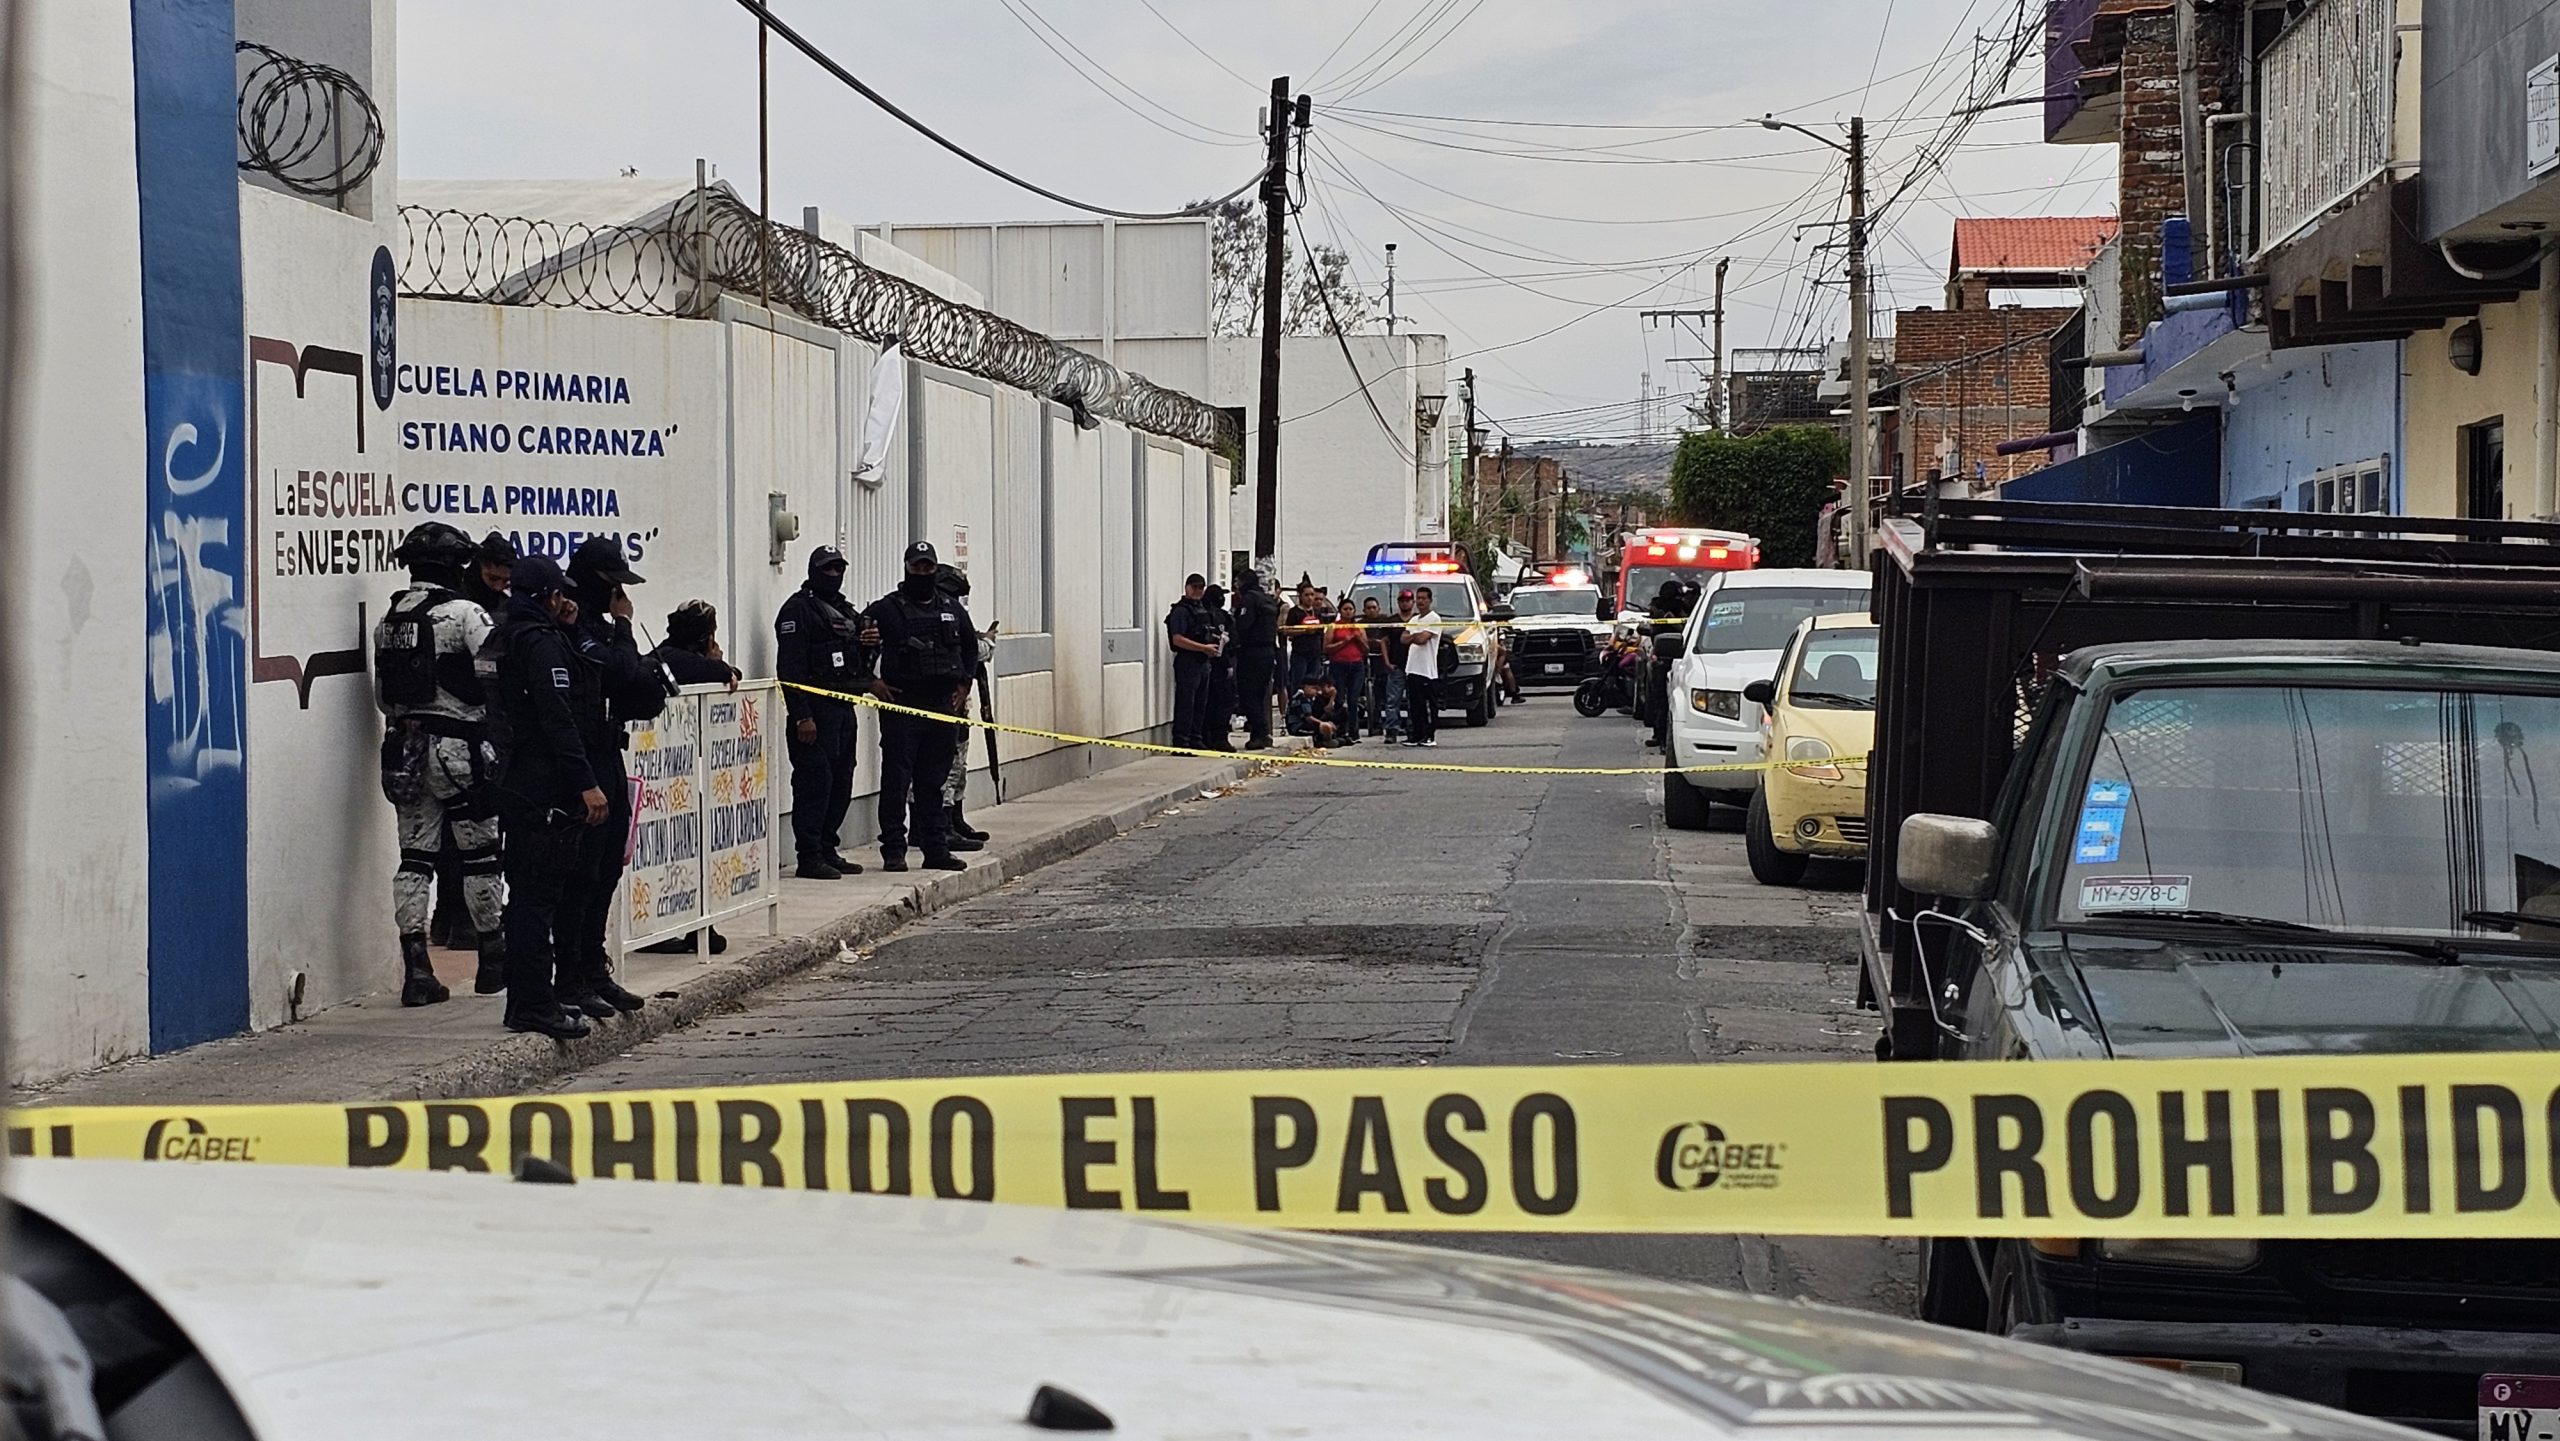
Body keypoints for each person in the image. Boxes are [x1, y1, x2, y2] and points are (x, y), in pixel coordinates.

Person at [371, 521, 505, 1008]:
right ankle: (493, 961)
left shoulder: (387, 622)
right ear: (456, 564)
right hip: (460, 748)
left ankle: (417, 970)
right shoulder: (465, 614)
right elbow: (500, 677)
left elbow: (385, 699)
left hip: (404, 751)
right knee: (481, 854)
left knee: (414, 858)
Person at [484, 555, 601, 1041]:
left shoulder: (500, 636)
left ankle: (527, 997)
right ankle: (533, 1002)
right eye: (559, 594)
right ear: (549, 596)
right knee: (539, 896)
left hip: (512, 778)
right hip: (543, 782)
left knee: (525, 891)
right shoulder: (539, 643)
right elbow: (559, 719)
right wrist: (586, 783)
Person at [556, 536, 669, 1020]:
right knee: (580, 872)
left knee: (607, 867)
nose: (620, 597)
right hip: (580, 760)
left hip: (608, 752)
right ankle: (572, 974)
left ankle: (593, 967)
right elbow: (618, 671)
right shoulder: (574, 626)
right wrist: (624, 625)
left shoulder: (599, 628)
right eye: (615, 588)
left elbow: (634, 687)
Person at [432, 531, 520, 950]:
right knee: (468, 838)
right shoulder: (464, 609)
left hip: (476, 730)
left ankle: (452, 917)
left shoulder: (496, 606)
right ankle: (460, 920)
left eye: (504, 577)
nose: (499, 582)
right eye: (493, 574)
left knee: (464, 838)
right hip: (466, 731)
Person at [868, 541, 976, 873]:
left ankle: (936, 848)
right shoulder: (887, 609)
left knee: (934, 782)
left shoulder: (951, 607)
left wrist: (963, 685)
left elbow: (969, 650)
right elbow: (859, 644)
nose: (923, 572)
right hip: (903, 706)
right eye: (917, 567)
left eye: (928, 567)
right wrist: (872, 683)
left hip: (941, 707)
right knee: (897, 781)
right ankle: (894, 850)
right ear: (906, 568)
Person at [776, 546, 876, 879]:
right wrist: (802, 715)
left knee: (841, 781)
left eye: (838, 569)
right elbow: (789, 669)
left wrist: (870, 642)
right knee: (814, 784)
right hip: (814, 715)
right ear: (813, 571)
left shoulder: (845, 611)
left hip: (843, 708)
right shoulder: (797, 611)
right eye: (827, 569)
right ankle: (809, 856)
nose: (834, 575)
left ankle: (827, 847)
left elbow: (859, 659)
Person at [933, 563, 991, 853]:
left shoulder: (953, 614)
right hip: (940, 701)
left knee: (959, 765)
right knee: (945, 767)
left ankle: (955, 818)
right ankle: (940, 825)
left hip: (958, 702)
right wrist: (987, 645)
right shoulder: (935, 615)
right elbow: (971, 649)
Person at [1165, 572, 1218, 749]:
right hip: (1188, 661)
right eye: (1194, 587)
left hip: (1203, 661)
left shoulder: (1201, 609)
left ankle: (1195, 739)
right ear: (1186, 587)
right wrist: (1204, 648)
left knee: (1200, 704)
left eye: (1201, 587)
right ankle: (1182, 741)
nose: (1197, 591)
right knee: (1186, 703)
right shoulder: (1181, 611)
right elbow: (1177, 639)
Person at [1230, 570, 1280, 751]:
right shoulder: (1267, 599)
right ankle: (1263, 733)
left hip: (1252, 652)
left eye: (1237, 582)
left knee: (1248, 694)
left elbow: (1244, 625)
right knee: (1259, 694)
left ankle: (1259, 734)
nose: (1235, 586)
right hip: (1268, 652)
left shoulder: (1249, 600)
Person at [652, 599, 741, 687]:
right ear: (708, 639)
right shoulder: (678, 660)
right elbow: (715, 671)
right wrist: (716, 663)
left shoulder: (663, 652)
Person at [1402, 585, 1444, 747]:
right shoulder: (1413, 620)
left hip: (1427, 670)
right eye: (1417, 598)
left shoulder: (1434, 619)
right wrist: (1415, 635)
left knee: (1428, 705)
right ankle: (1416, 735)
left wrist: (1414, 635)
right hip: (1412, 668)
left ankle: (1429, 735)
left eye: (1423, 598)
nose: (1420, 601)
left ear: (1430, 600)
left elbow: (1422, 639)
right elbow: (1403, 639)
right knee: (1414, 705)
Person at [1325, 597, 1369, 744]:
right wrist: (1345, 641)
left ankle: (1354, 731)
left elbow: (1366, 649)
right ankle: (1340, 730)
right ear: (1340, 611)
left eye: (1351, 609)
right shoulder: (1334, 627)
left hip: (1356, 666)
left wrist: (1358, 639)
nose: (1348, 612)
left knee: (1353, 699)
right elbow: (1326, 648)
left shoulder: (1359, 628)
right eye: (1345, 609)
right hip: (1338, 665)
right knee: (1339, 698)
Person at [1200, 583, 1237, 753]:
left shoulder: (1207, 614)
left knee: (1211, 703)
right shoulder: (1217, 616)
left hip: (1210, 664)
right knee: (1222, 702)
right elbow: (1230, 642)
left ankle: (1209, 737)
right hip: (1216, 664)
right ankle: (1218, 738)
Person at [1284, 582, 1327, 689]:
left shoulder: (1317, 612)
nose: (1310, 598)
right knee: (1299, 681)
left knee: (1313, 682)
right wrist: (1304, 631)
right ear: (1301, 596)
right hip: (1300, 653)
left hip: (1315, 652)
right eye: (1306, 595)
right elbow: (1287, 631)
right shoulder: (1294, 612)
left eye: (1312, 595)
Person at [1286, 676, 1342, 747]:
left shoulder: (1310, 698)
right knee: (1325, 727)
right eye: (1314, 688)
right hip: (1297, 728)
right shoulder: (1300, 698)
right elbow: (1308, 718)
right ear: (1305, 687)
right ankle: (1323, 742)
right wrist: (1322, 723)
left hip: (1306, 725)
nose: (1317, 691)